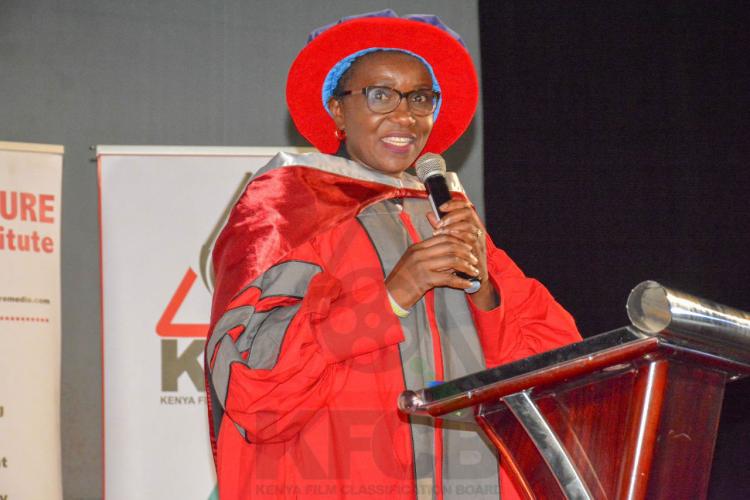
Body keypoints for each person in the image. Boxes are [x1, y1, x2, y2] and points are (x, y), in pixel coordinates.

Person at [205, 10, 581, 500]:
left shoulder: (448, 214)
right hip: (339, 477)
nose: (405, 116)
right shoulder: (286, 210)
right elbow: (253, 383)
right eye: (381, 95)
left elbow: (553, 363)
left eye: (420, 98)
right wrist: (392, 296)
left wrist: (484, 289)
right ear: (337, 110)